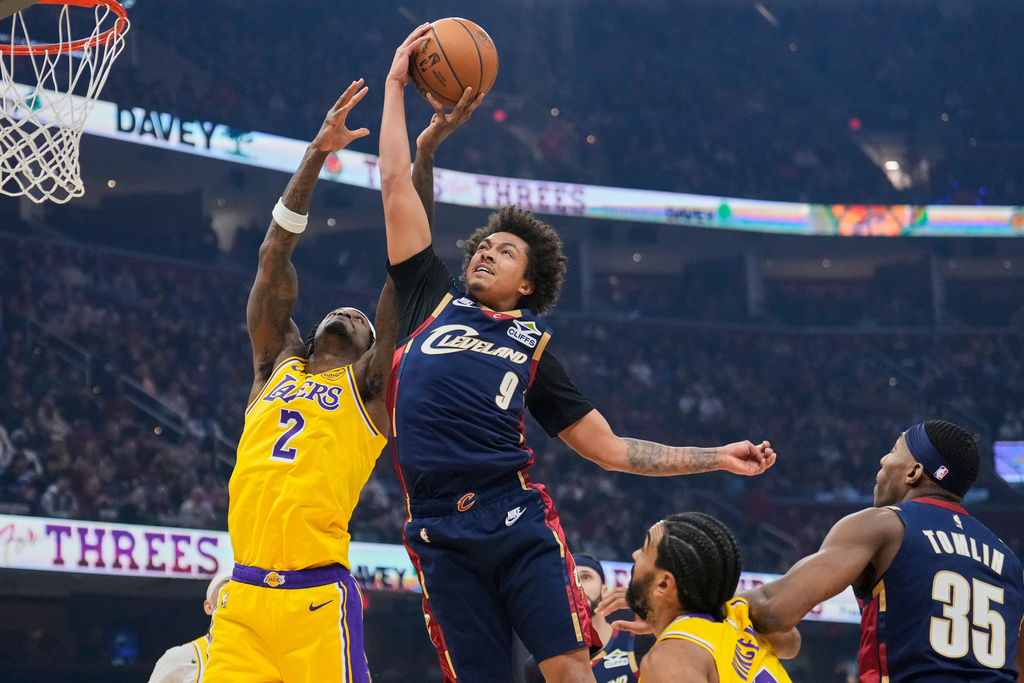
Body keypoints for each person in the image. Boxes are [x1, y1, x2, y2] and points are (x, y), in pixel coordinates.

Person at [379, 25, 778, 683]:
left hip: (513, 519)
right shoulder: (431, 299)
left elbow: (612, 448)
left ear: (528, 284)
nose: (485, 251)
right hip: (435, 531)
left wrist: (715, 456)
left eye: (505, 251)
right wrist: (397, 86)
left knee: (568, 669)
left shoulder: (532, 347)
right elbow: (395, 182)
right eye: (483, 245)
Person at [203, 79, 407, 683]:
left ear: (371, 354)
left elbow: (402, 282)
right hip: (241, 597)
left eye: (363, 322)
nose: (352, 312)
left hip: (316, 597)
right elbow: (273, 254)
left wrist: (408, 169)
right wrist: (316, 153)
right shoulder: (275, 364)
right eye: (342, 311)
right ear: (311, 332)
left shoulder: (368, 395)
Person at [744, 419, 1024, 682]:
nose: (883, 459)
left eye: (893, 450)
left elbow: (772, 611)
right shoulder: (1010, 563)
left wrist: (710, 594)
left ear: (913, 472)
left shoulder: (883, 525)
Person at [600, 513, 798, 683]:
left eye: (644, 550)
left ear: (663, 584)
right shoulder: (737, 614)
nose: (635, 555)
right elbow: (792, 642)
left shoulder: (671, 658)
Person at [526, 554, 653, 683]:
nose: (577, 586)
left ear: (604, 591)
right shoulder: (539, 665)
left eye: (586, 577)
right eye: (568, 579)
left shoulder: (641, 641)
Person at [147, 569, 232, 683]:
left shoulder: (260, 656)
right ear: (209, 607)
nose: (234, 598)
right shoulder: (180, 658)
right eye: (225, 591)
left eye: (240, 593)